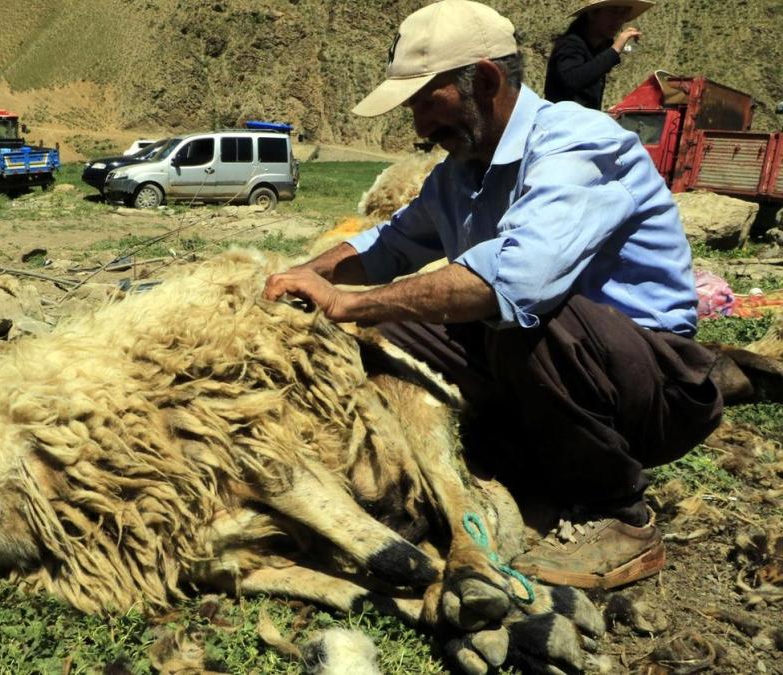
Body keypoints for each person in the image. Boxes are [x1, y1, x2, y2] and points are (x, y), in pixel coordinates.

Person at [262, 0, 722, 590]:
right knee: (393, 334)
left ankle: (619, 513)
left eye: (428, 103)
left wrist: (350, 303)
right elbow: (389, 244)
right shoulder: (462, 171)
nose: (420, 127)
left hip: (649, 386)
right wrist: (299, 275)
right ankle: (489, 458)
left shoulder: (578, 145)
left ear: (484, 80)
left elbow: (518, 279)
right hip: (558, 371)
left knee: (520, 314)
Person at [544, 0, 652, 109]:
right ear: (593, 13)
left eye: (624, 12)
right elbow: (572, 80)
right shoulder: (570, 44)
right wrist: (615, 50)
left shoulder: (601, 45)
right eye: (613, 11)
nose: (619, 19)